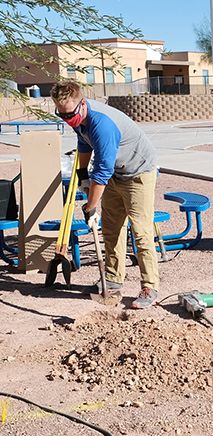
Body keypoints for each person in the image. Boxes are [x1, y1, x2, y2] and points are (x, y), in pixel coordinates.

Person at [51, 80, 160, 309]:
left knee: (141, 230)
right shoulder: (76, 116)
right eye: (62, 116)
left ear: (82, 104)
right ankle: (111, 280)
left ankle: (150, 286)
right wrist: (81, 174)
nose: (68, 120)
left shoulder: (102, 124)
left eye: (70, 115)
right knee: (111, 228)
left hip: (138, 172)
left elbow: (102, 172)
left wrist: (90, 206)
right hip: (115, 174)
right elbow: (83, 143)